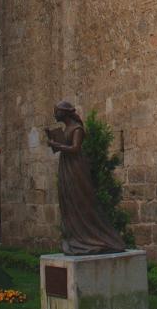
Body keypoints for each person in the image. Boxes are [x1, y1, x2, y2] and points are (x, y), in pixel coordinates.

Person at [45, 100, 126, 255]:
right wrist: (55, 142)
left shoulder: (77, 129)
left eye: (57, 111)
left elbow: (75, 148)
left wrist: (57, 145)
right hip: (66, 166)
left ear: (65, 112)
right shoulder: (67, 129)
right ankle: (75, 238)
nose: (55, 114)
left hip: (75, 168)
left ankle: (90, 237)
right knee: (68, 200)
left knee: (79, 199)